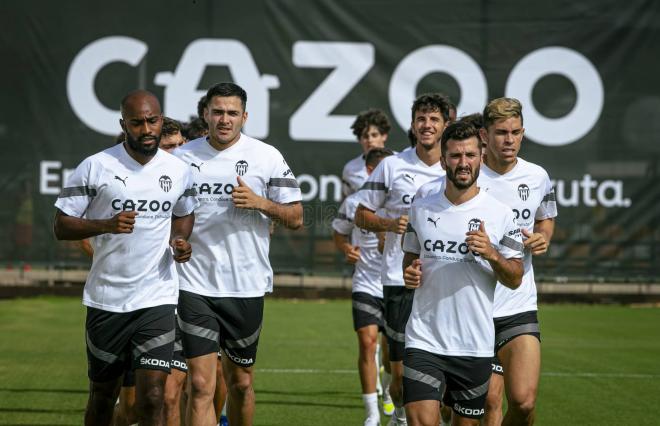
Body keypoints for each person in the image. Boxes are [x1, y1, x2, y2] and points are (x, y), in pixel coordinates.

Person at [53, 90, 199, 426]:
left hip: (157, 298)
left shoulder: (178, 170)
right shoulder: (97, 165)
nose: (147, 129)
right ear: (124, 124)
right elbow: (61, 225)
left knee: (153, 398)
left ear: (161, 120)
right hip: (107, 300)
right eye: (137, 122)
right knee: (103, 396)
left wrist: (180, 239)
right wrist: (105, 224)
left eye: (153, 120)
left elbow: (184, 212)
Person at [174, 82, 303, 426]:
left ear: (245, 116)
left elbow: (296, 217)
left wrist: (260, 203)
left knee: (241, 383)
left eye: (232, 113)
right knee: (200, 384)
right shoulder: (181, 158)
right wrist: (177, 242)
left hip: (245, 286)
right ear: (206, 114)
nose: (224, 119)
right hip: (194, 284)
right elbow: (166, 217)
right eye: (218, 112)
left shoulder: (267, 156)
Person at [401, 121, 524, 426]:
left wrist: (491, 253)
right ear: (443, 160)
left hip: (474, 344)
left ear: (481, 157)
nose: (463, 163)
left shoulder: (501, 214)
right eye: (455, 156)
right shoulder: (421, 208)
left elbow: (515, 277)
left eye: (470, 155)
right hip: (424, 339)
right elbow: (410, 257)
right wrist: (409, 273)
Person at [355, 93, 451, 426]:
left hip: (446, 284)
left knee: (445, 373)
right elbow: (361, 215)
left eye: (434, 119)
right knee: (398, 378)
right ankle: (398, 416)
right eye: (421, 118)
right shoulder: (391, 166)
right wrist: (387, 223)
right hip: (399, 282)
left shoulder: (458, 164)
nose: (427, 125)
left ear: (445, 125)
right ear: (413, 124)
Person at [477, 98, 557, 426]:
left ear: (523, 133)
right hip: (474, 305)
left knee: (523, 403)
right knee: (488, 401)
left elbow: (546, 218)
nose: (509, 140)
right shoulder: (466, 174)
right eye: (501, 133)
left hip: (518, 302)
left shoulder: (537, 176)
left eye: (515, 132)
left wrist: (544, 238)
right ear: (484, 135)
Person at [332, 147, 394, 426]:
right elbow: (339, 232)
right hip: (366, 283)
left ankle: (393, 396)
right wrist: (346, 248)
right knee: (367, 343)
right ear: (370, 172)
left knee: (394, 354)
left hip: (397, 285)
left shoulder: (406, 201)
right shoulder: (354, 203)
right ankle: (371, 414)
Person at [342, 109, 392, 198]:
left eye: (374, 135)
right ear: (359, 139)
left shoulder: (399, 162)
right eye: (365, 136)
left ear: (384, 136)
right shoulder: (350, 169)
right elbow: (346, 205)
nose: (370, 140)